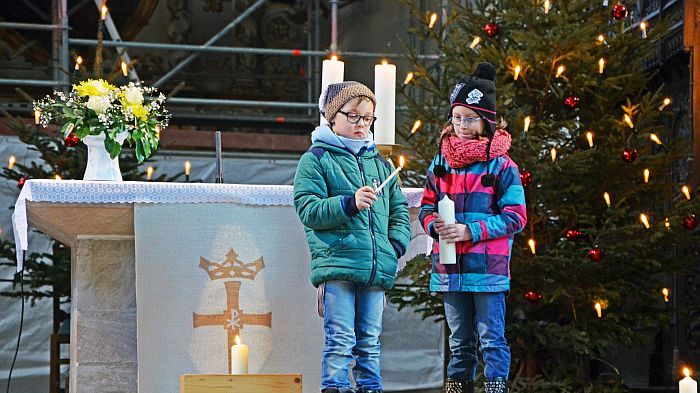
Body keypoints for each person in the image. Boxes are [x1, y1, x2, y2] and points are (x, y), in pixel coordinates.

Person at [294, 81, 412, 393]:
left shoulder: (379, 163)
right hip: (339, 264)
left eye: (368, 118)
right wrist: (349, 203)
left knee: (370, 343)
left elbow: (399, 210)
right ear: (332, 117)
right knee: (340, 340)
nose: (362, 125)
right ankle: (334, 388)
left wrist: (394, 244)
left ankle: (370, 389)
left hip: (375, 266)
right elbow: (308, 209)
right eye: (354, 116)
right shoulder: (317, 159)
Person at [419, 63, 527, 393]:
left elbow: (516, 216)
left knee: (491, 337)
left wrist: (471, 231)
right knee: (460, 340)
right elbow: (426, 205)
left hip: (487, 267)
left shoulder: (502, 165)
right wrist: (433, 226)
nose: (462, 126)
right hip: (450, 268)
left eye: (470, 118)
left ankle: (495, 387)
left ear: (487, 120)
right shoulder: (440, 162)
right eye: (457, 118)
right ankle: (458, 387)